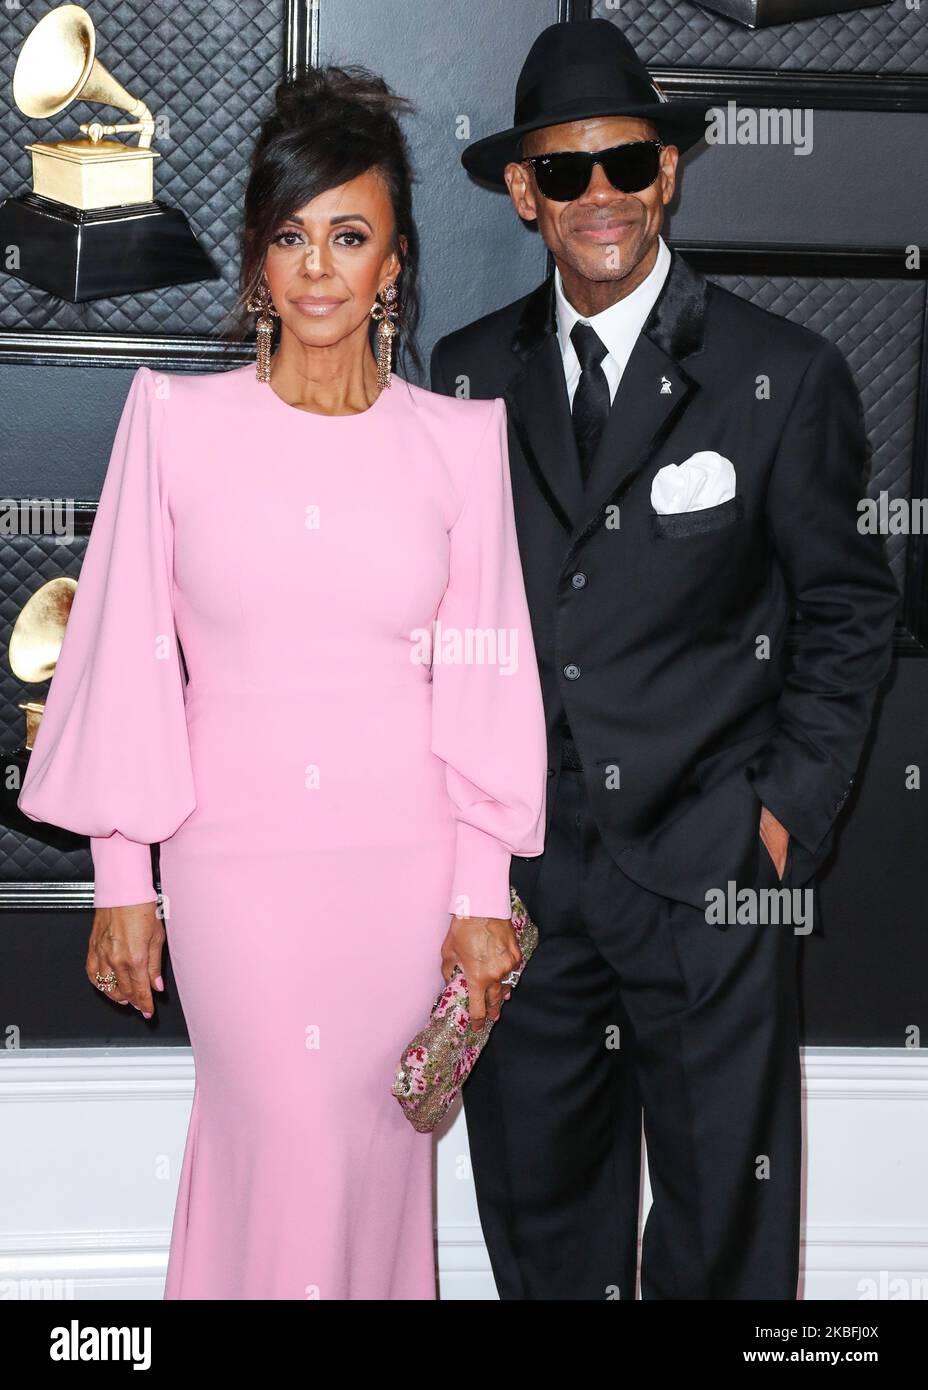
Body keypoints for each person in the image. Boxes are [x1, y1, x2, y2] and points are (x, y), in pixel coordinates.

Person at [18, 66, 547, 1301]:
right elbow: (124, 660)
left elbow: (485, 675)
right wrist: (120, 878)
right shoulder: (174, 423)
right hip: (234, 874)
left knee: (370, 1162)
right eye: (291, 238)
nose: (319, 268)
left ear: (393, 263)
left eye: (348, 237)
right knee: (278, 1136)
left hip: (402, 875)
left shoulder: (459, 447)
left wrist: (480, 893)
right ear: (258, 262)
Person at [430, 18, 899, 1299]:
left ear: (668, 174)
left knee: (722, 1242)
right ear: (524, 192)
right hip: (525, 884)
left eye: (626, 164)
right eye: (566, 172)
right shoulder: (464, 376)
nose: (602, 198)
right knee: (542, 1227)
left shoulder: (779, 374)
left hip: (710, 873)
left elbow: (851, 612)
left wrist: (779, 821)